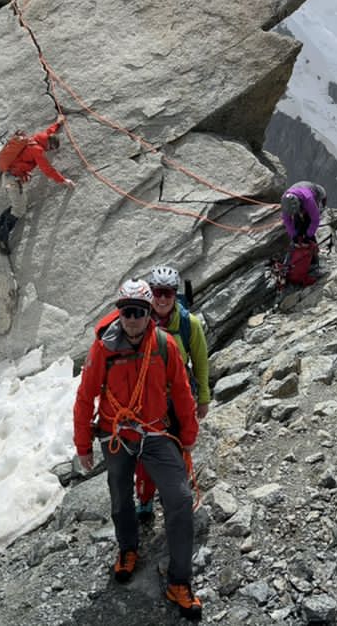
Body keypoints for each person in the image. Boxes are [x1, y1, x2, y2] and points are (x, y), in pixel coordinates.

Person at [74, 280, 203, 620]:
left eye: (139, 312)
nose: (132, 319)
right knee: (120, 498)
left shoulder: (165, 345)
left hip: (156, 433)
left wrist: (188, 433)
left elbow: (181, 391)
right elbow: (86, 397)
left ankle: (180, 581)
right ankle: (128, 548)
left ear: (149, 314)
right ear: (119, 313)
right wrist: (83, 445)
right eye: (127, 312)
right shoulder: (103, 349)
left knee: (180, 499)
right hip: (117, 435)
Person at [131, 265, 210, 528]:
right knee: (146, 453)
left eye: (167, 293)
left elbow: (200, 361)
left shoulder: (190, 324)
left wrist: (203, 399)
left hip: (179, 398)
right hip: (146, 399)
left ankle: (175, 495)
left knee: (179, 448)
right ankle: (145, 499)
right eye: (157, 292)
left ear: (175, 294)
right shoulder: (138, 322)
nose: (162, 298)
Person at [0, 118, 73, 254]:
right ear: (49, 144)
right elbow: (47, 169)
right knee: (19, 209)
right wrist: (63, 180)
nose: (49, 151)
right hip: (13, 180)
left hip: (10, 177)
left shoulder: (36, 139)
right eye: (51, 148)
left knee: (19, 204)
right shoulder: (38, 150)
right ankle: (1, 237)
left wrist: (58, 123)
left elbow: (49, 132)